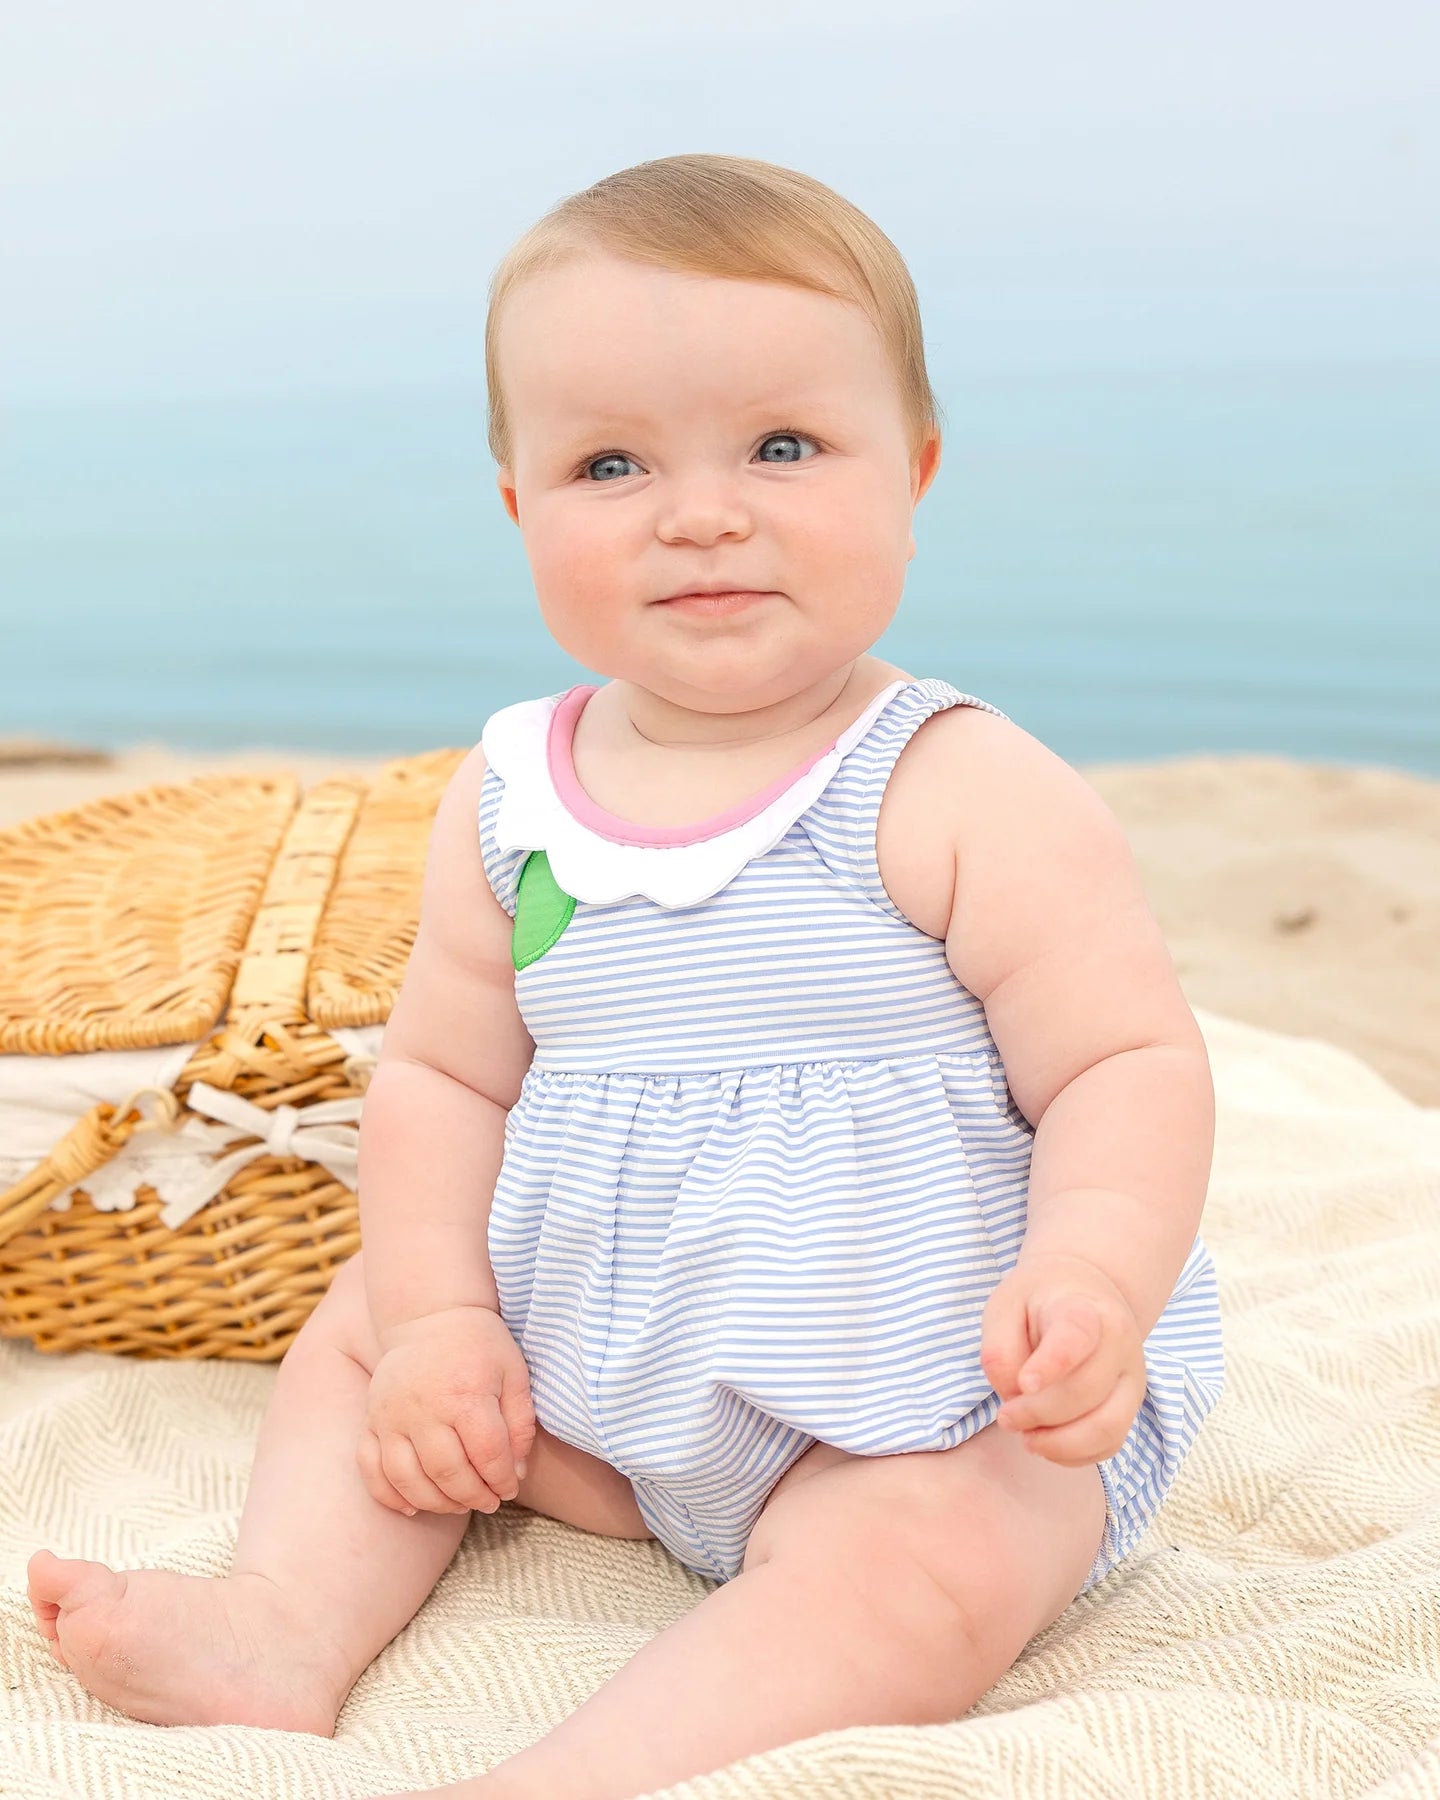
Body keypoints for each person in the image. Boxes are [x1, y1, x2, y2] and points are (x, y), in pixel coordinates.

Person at [27, 154, 1225, 1800]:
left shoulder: (953, 782)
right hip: (607, 1388)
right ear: (522, 508)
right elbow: (450, 1077)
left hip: (913, 1389)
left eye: (785, 447)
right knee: (365, 1329)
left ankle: (566, 1776)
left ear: (916, 471)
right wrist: (448, 1323)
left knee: (924, 1566)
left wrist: (1094, 1280)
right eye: (610, 463)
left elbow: (1123, 1064)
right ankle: (283, 1622)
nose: (702, 510)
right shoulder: (512, 794)